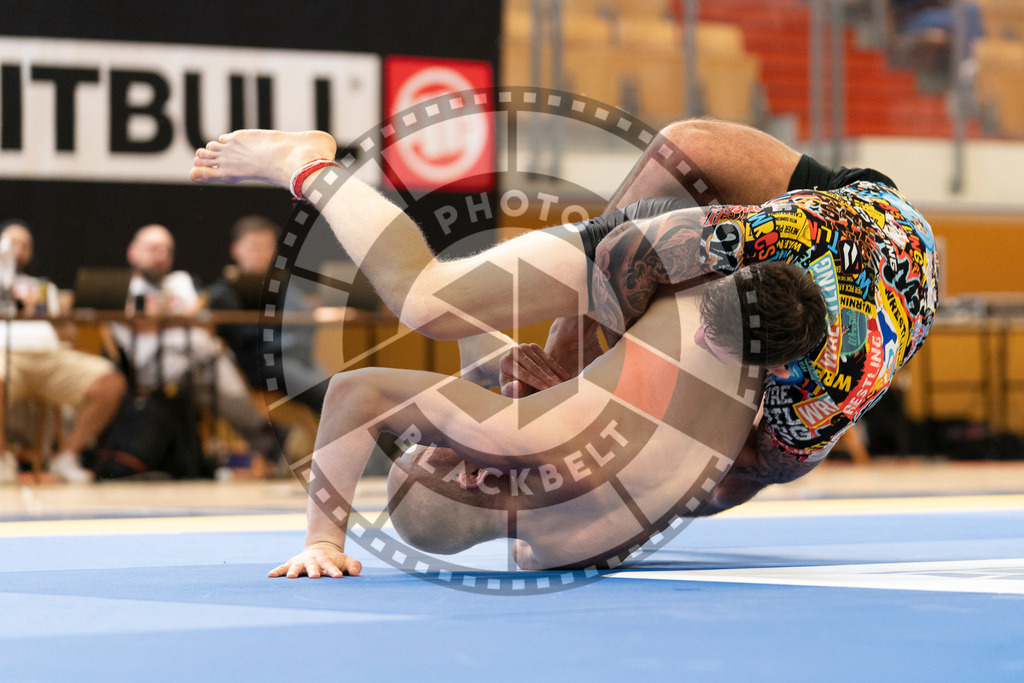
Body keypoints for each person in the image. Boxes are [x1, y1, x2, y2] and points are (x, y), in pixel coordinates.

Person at [189, 119, 935, 574]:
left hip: (891, 296)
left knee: (439, 300)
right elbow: (359, 395)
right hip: (873, 229)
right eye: (432, 447)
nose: (444, 417)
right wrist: (325, 536)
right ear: (472, 476)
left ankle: (308, 165)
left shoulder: (560, 542)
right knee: (429, 300)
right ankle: (309, 166)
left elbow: (750, 474)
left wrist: (574, 363)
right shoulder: (738, 270)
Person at [111, 224, 284, 465]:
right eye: (153, 249)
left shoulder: (179, 280)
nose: (161, 257)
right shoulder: (120, 289)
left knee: (211, 362)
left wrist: (161, 316)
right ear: (132, 251)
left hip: (197, 358)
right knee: (210, 365)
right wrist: (171, 316)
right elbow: (149, 324)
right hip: (152, 367)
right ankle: (269, 438)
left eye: (166, 251)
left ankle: (264, 441)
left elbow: (196, 316)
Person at [0, 220, 127, 484]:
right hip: (6, 356)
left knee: (111, 381)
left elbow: (70, 336)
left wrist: (55, 318)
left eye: (25, 245)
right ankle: (2, 459)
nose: (19, 250)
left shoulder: (44, 288)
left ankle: (67, 456)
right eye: (12, 243)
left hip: (50, 358)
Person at [206, 215, 328, 413]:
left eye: (267, 247)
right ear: (236, 249)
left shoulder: (285, 288)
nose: (261, 254)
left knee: (338, 388)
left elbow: (306, 320)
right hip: (259, 367)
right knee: (326, 394)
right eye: (254, 247)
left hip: (296, 360)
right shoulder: (224, 293)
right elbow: (241, 339)